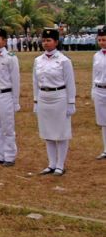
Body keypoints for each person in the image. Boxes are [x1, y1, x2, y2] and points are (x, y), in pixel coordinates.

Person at [33, 28, 76, 176]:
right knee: (47, 132)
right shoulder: (38, 60)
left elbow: (70, 83)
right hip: (44, 97)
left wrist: (71, 103)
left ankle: (60, 165)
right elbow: (35, 82)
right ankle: (51, 164)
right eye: (44, 40)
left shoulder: (64, 60)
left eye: (49, 40)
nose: (45, 43)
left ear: (56, 42)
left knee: (61, 132)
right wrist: (35, 101)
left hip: (59, 97)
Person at [0, 27, 21, 166]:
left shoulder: (10, 58)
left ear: (4, 41)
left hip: (5, 95)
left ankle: (9, 156)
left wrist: (15, 101)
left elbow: (15, 80)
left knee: (7, 128)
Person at [93, 28, 106, 160]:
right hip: (99, 90)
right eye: (100, 40)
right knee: (103, 122)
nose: (102, 42)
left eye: (104, 40)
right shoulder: (96, 56)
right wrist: (93, 90)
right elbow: (94, 74)